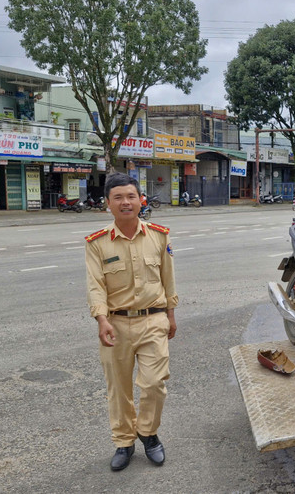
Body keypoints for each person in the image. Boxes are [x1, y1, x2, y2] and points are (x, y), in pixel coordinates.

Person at [85, 173, 178, 471]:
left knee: (154, 384)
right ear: (108, 204)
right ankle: (124, 441)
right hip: (116, 324)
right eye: (118, 198)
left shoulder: (159, 236)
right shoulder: (97, 243)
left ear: (140, 200)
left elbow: (168, 279)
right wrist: (101, 319)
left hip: (153, 319)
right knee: (119, 388)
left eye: (131, 196)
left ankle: (148, 434)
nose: (125, 202)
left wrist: (171, 316)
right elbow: (95, 285)